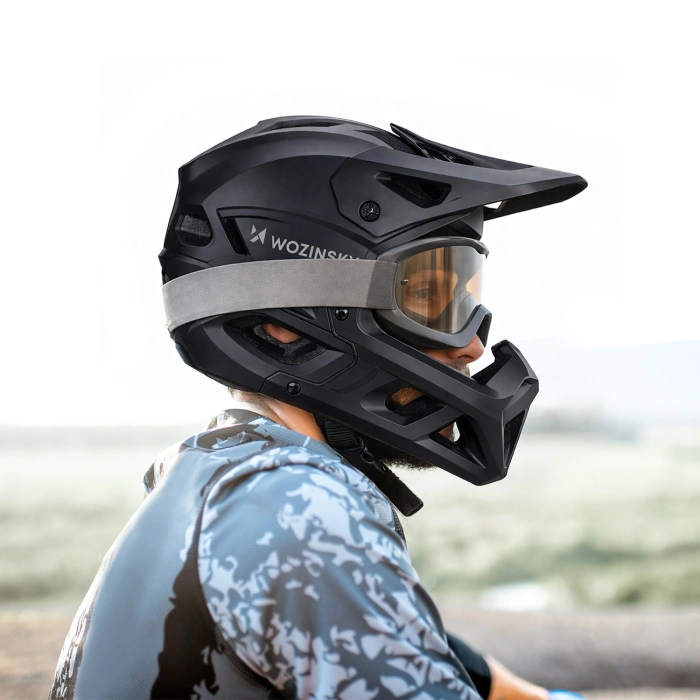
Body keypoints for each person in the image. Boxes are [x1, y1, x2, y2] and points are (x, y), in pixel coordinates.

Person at [50, 117, 587, 699]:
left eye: (467, 294)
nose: (472, 346)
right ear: (286, 324)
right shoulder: (300, 510)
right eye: (427, 295)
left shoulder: (210, 480)